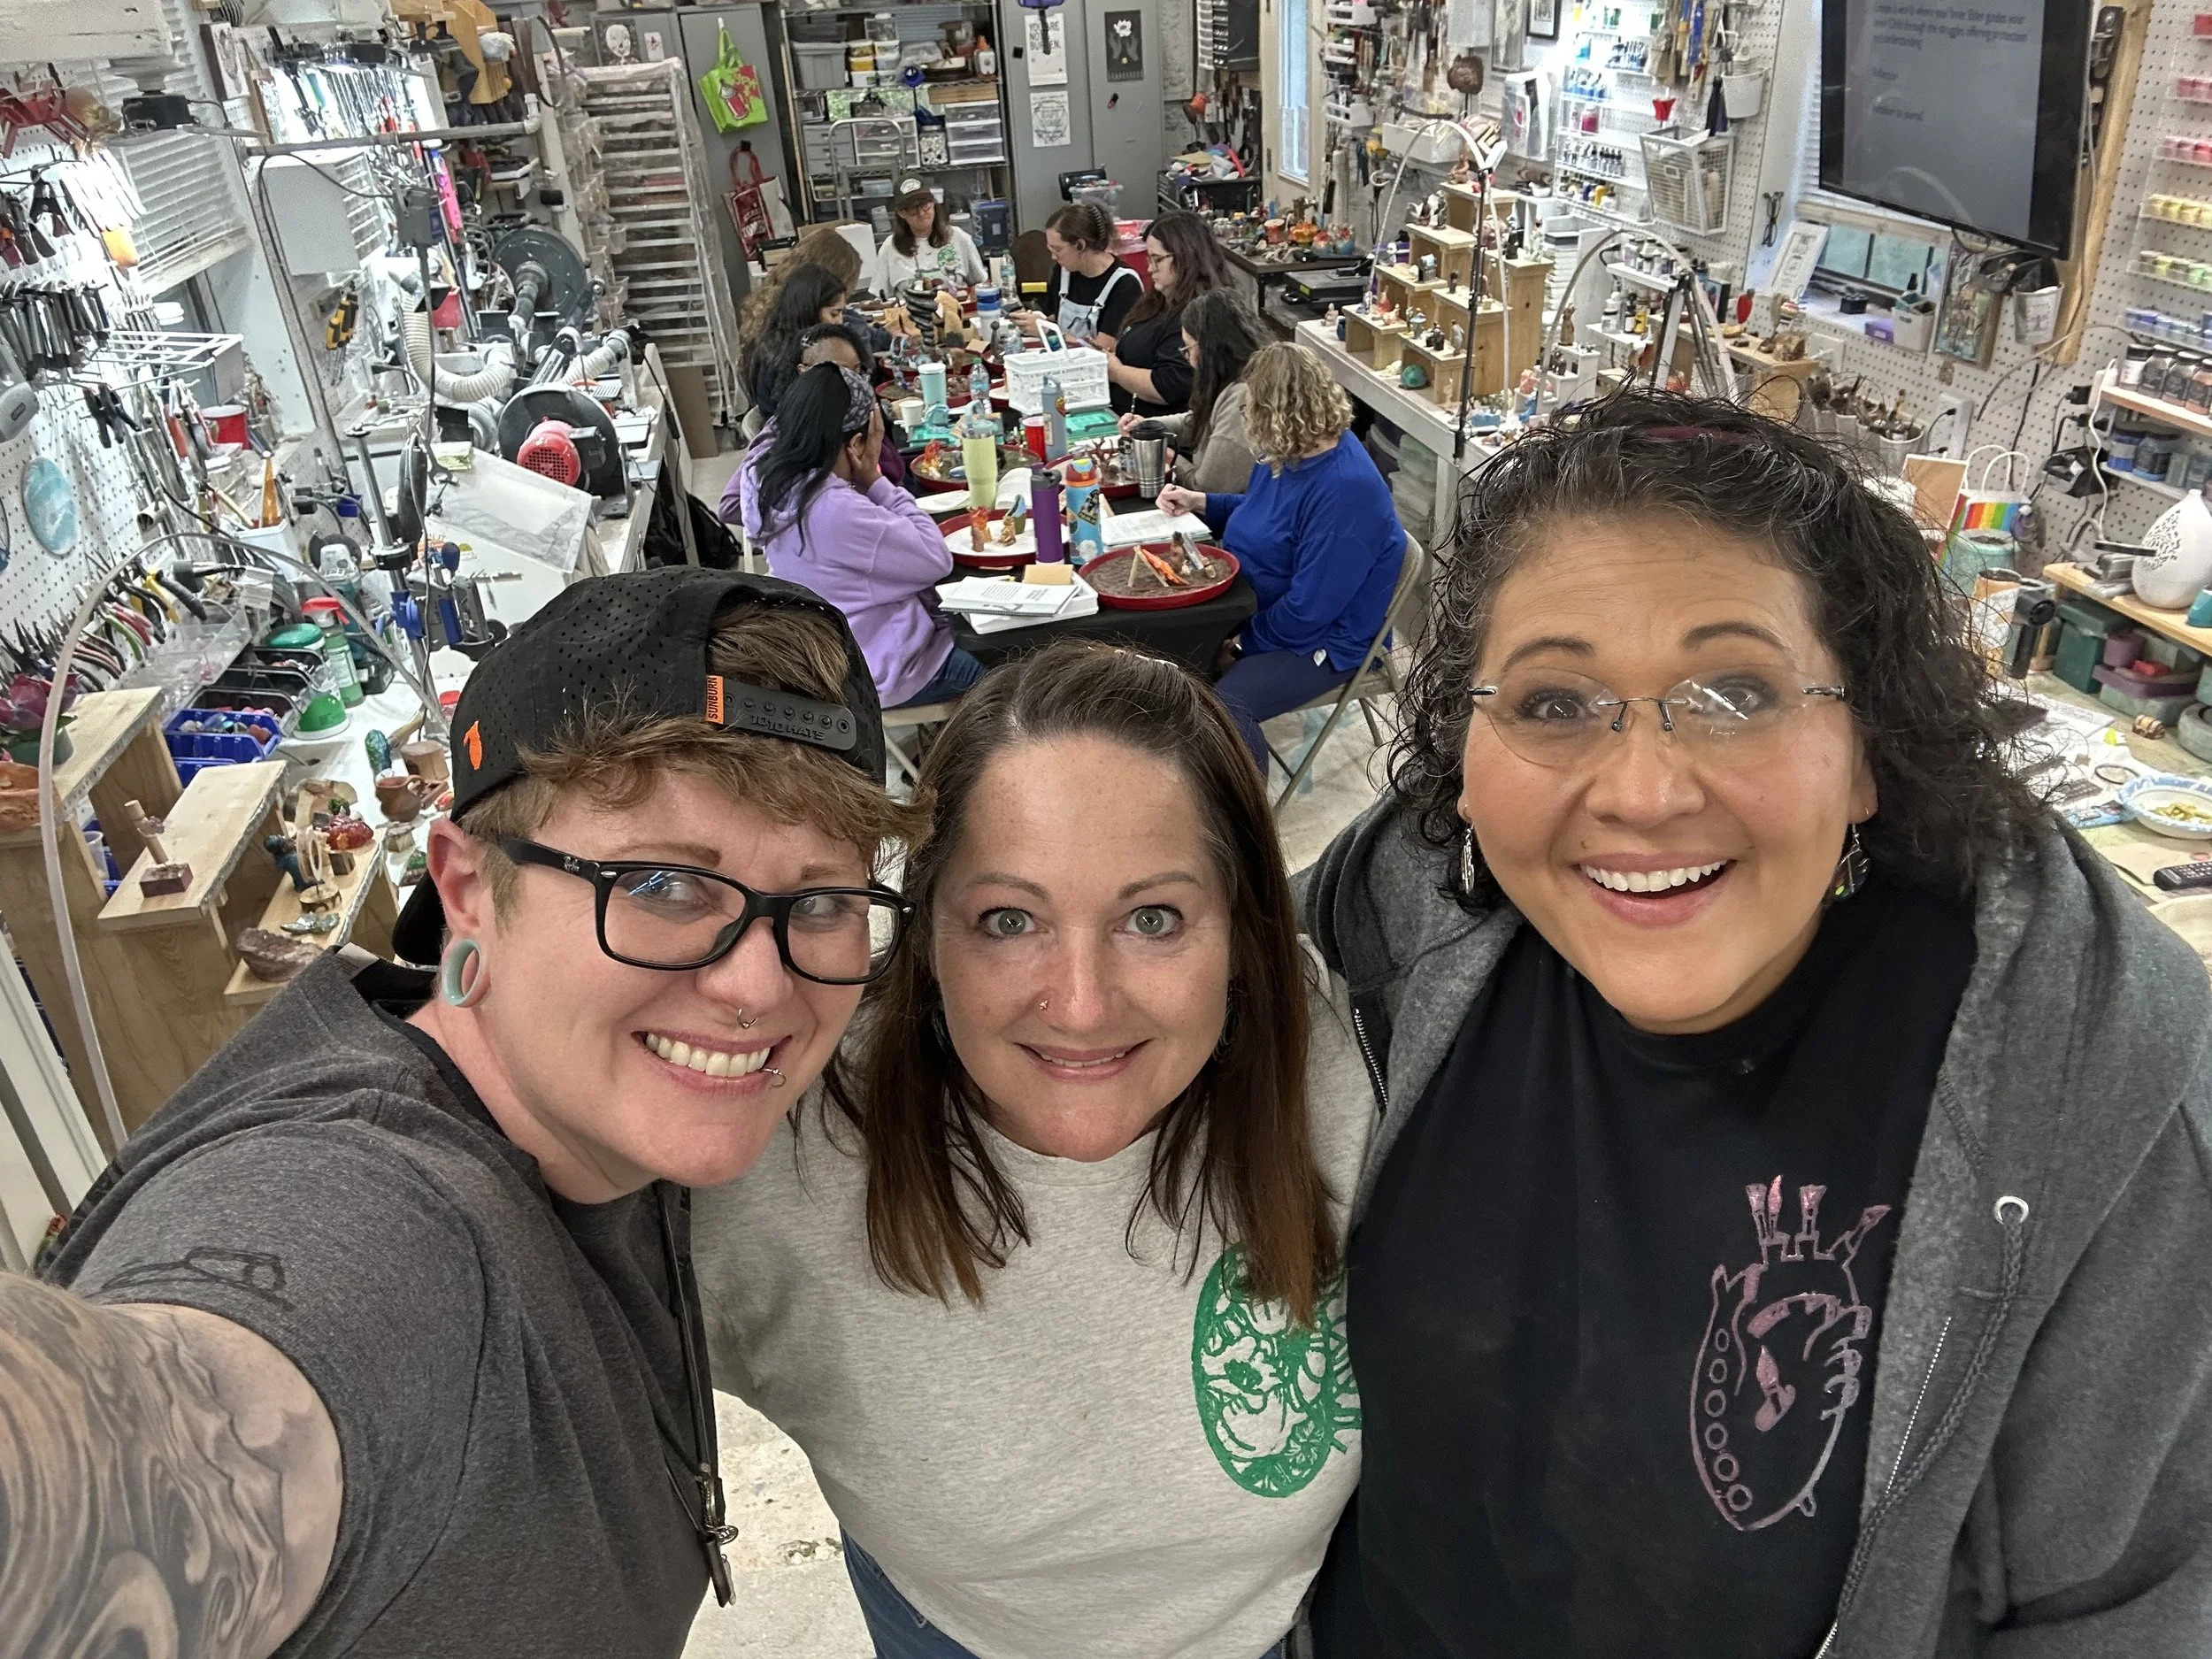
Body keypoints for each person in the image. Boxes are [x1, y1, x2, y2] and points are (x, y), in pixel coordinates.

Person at [1299, 391, 2212, 1658]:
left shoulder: (2095, 1096)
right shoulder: (1412, 898)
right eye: (1557, 702)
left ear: (1869, 746)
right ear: (1465, 743)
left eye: (1732, 690)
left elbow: (2137, 1613)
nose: (1641, 789)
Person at [1, 566, 926, 1657]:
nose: (758, 988)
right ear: (469, 887)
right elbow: (154, 1443)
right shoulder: (371, 1219)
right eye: (664, 885)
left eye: (818, 901)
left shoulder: (573, 1099)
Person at [693, 641, 1374, 1659]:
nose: (1084, 1004)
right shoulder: (782, 1140)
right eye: (1009, 920)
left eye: (1153, 918)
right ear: (922, 935)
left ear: (1242, 933)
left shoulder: (1333, 1060)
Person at [1158, 344, 1405, 780]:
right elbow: (1263, 514)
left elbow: (1311, 610)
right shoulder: (1288, 454)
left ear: (1275, 413)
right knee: (1171, 652)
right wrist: (1201, 502)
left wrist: (1243, 643)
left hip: (1323, 642)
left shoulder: (1346, 489)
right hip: (1263, 608)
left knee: (1225, 707)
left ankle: (1245, 821)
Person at [737, 362, 982, 710]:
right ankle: (955, 758)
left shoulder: (765, 479)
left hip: (837, 657)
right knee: (1007, 669)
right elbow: (935, 558)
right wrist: (877, 482)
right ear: (855, 443)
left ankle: (932, 747)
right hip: (887, 670)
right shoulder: (835, 509)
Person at [728, 320, 910, 494]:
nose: (853, 380)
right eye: (840, 372)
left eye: (856, 370)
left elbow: (894, 473)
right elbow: (730, 504)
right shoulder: (787, 429)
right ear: (805, 372)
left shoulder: (857, 413)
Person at [1121, 287, 1268, 493]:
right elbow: (1198, 422)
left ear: (1210, 348)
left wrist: (1162, 453)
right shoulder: (1234, 377)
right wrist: (1149, 426)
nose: (1186, 357)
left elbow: (1206, 487)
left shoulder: (1242, 397)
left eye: (1188, 348)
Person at [1105, 210, 1235, 418]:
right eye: (1149, 259)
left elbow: (1169, 386)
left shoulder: (1197, 314)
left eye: (1157, 259)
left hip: (1161, 430)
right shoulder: (1159, 298)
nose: (1149, 268)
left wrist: (1117, 373)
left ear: (1185, 257)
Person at [1016, 202, 1142, 349]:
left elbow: (1103, 349)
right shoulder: (1063, 271)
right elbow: (1057, 317)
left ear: (1080, 245)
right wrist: (1033, 321)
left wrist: (1047, 331)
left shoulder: (1125, 285)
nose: (1053, 257)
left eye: (1057, 250)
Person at [740, 262, 852, 413]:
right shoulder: (788, 361)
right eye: (834, 313)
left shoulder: (775, 340)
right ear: (810, 311)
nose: (840, 321)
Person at [874, 178, 988, 291]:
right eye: (912, 208)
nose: (921, 212)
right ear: (901, 213)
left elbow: (982, 284)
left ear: (933, 202)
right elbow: (880, 298)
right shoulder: (890, 247)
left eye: (924, 204)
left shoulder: (959, 237)